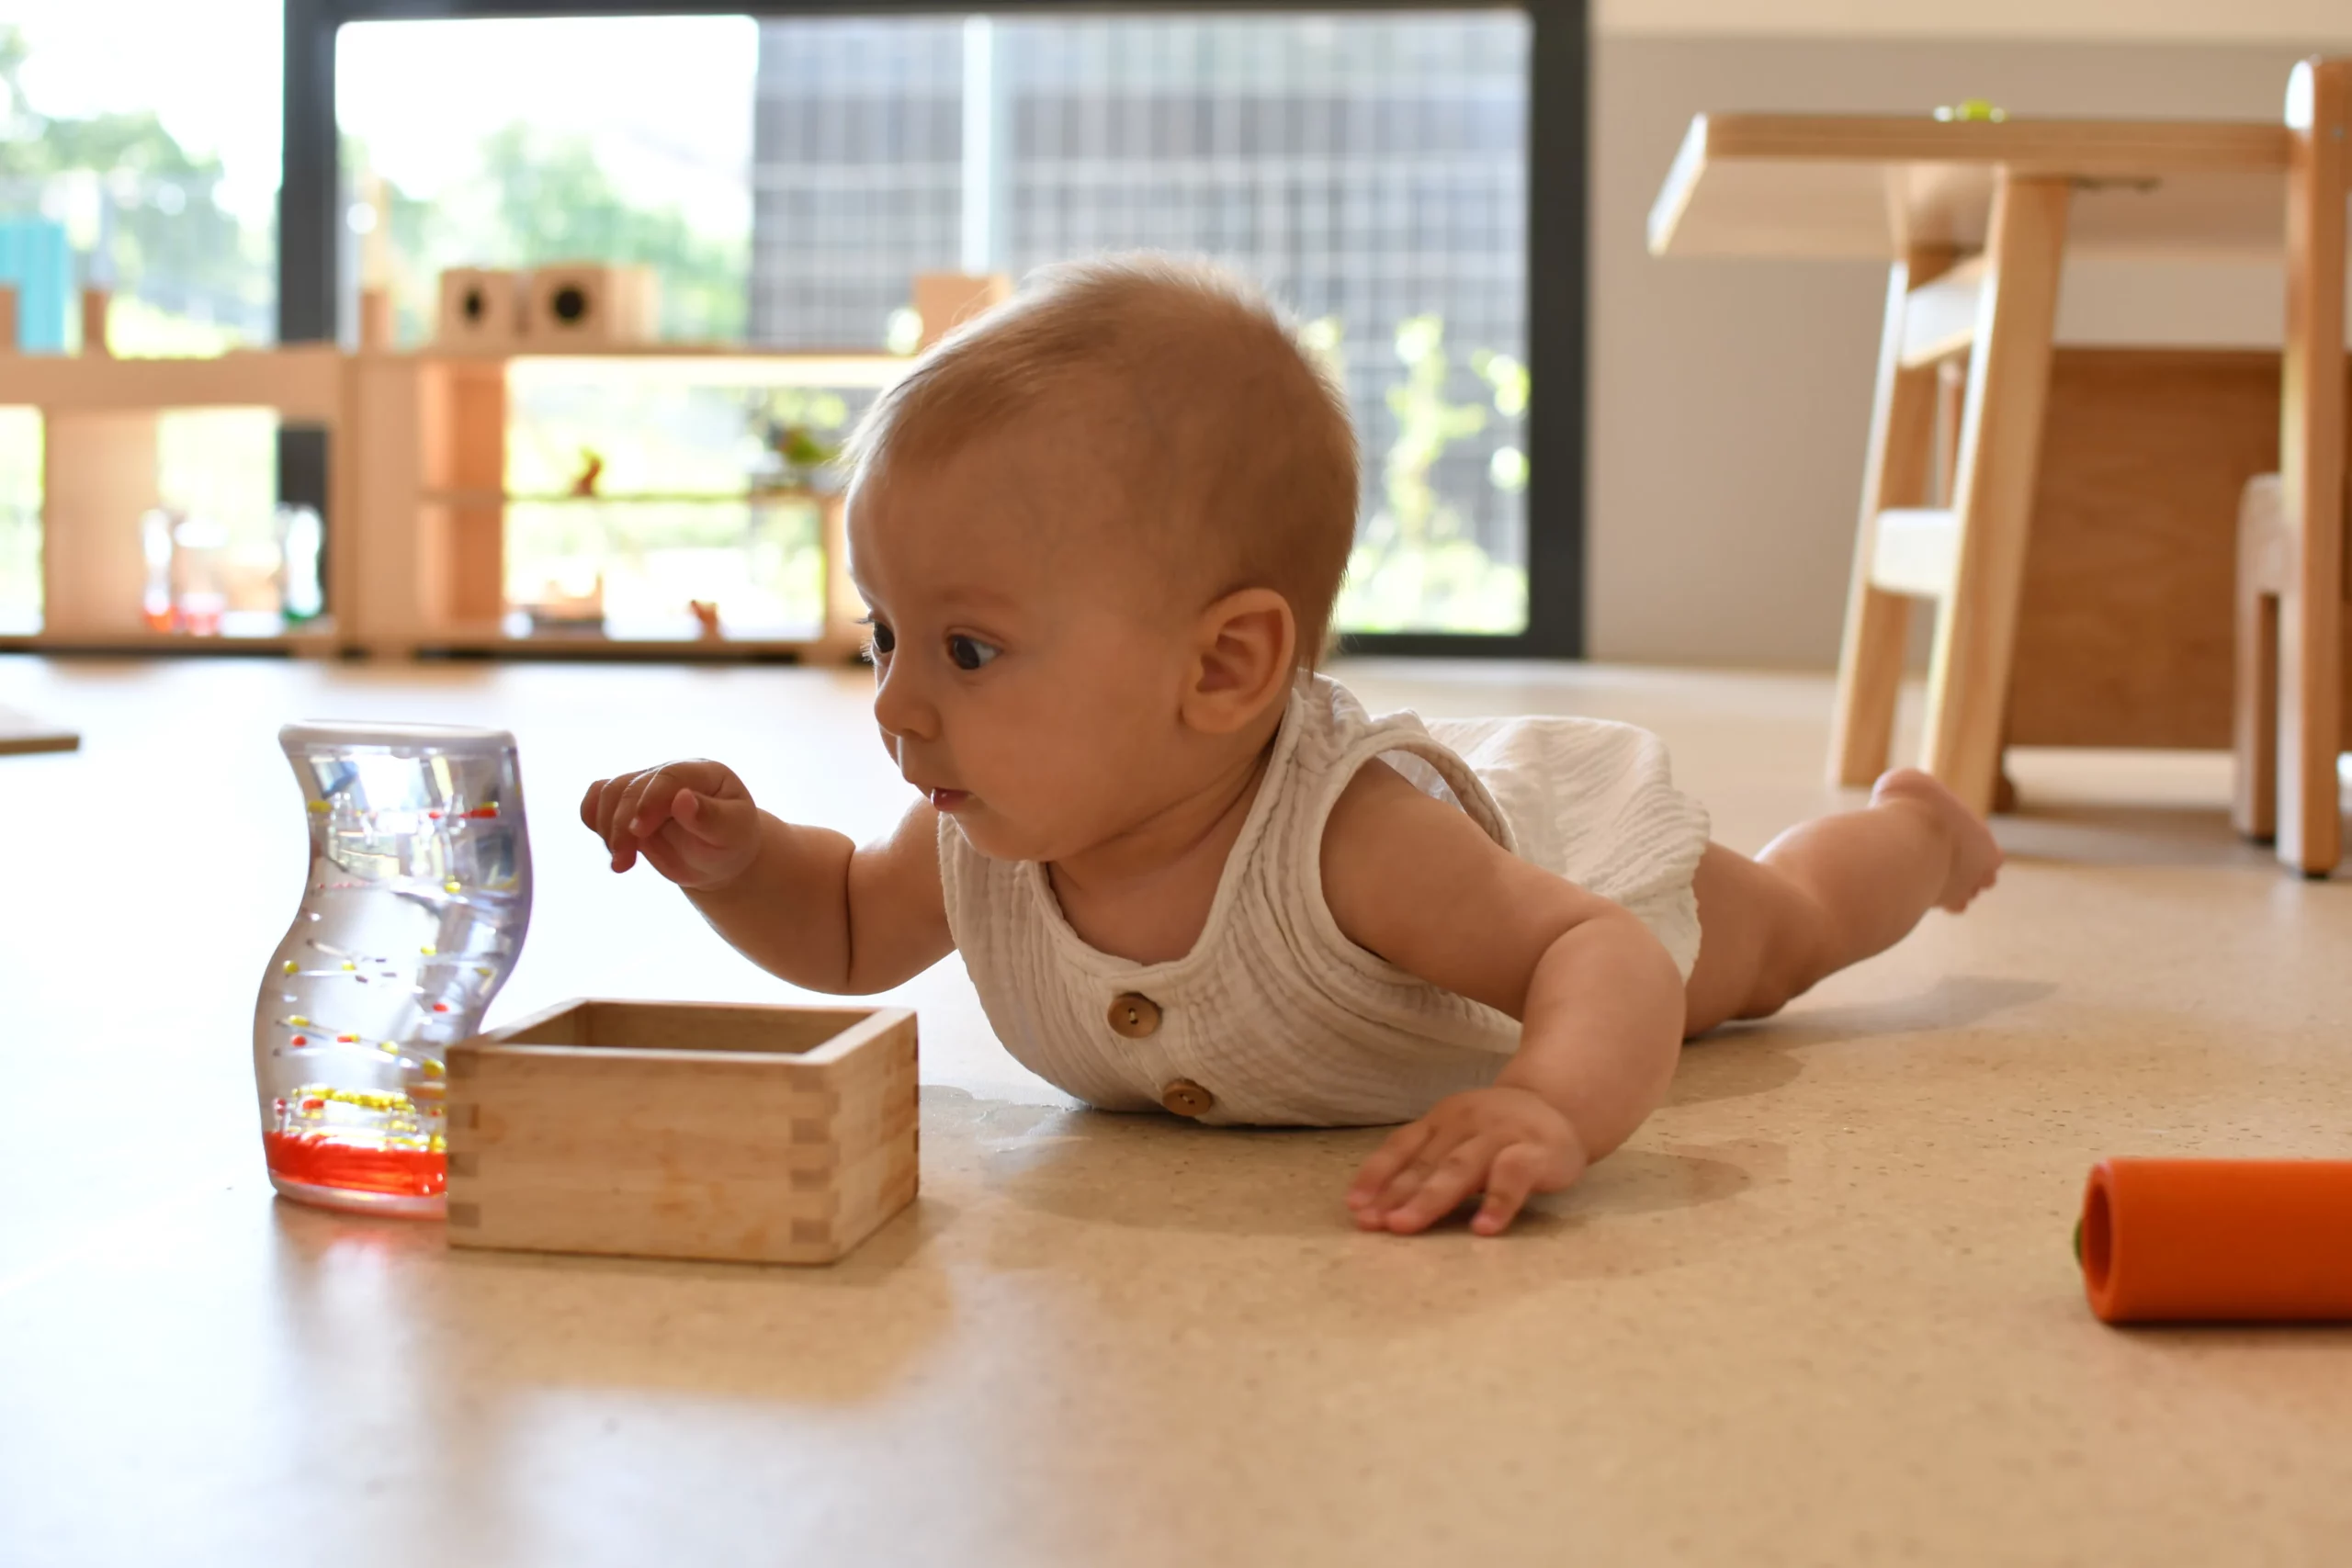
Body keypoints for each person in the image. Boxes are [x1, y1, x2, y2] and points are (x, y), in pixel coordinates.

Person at [580, 255, 2001, 1238]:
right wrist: (736, 857)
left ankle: (1918, 831)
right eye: (886, 633)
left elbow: (1599, 957)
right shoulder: (980, 828)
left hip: (1573, 879)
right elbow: (839, 931)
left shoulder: (1355, 839)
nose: (896, 703)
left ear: (1223, 666)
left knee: (1784, 937)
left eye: (968, 649)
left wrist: (1549, 1104)